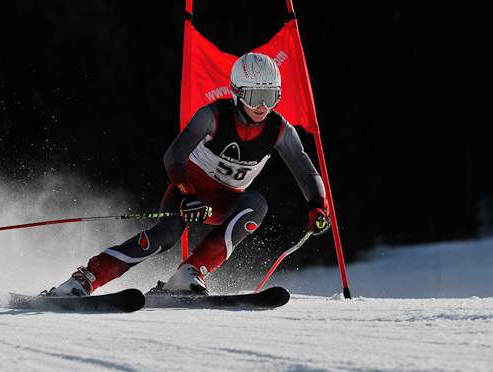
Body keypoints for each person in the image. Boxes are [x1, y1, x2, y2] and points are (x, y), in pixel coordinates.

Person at [46, 52, 330, 297]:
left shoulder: (280, 130)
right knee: (164, 237)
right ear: (238, 93)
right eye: (255, 96)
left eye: (270, 97)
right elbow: (174, 154)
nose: (262, 107)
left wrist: (318, 205)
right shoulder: (213, 115)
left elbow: (305, 170)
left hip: (225, 202)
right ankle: (85, 278)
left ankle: (190, 272)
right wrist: (186, 195)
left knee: (257, 205)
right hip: (190, 191)